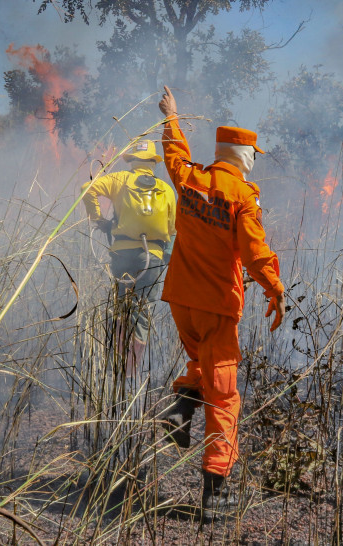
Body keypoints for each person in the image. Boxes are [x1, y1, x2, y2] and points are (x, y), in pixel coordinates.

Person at [157, 85, 285, 522]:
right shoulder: (243, 197)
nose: (254, 160)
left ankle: (180, 409)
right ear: (242, 154)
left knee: (203, 365)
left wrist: (171, 118)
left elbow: (173, 156)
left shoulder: (191, 178)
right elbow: (254, 253)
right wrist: (275, 289)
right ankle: (217, 493)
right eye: (254, 154)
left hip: (180, 300)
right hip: (216, 306)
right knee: (225, 396)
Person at [80, 140, 177, 370]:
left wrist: (98, 219)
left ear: (132, 160)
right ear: (154, 162)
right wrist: (166, 258)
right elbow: (173, 229)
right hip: (152, 255)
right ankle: (132, 371)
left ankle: (115, 367)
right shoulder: (166, 189)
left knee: (121, 305)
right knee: (141, 310)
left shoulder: (121, 179)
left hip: (123, 252)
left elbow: (87, 189)